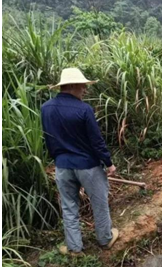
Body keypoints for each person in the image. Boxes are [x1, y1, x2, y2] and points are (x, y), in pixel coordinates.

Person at [42, 68, 119, 254]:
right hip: (88, 166)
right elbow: (96, 140)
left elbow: (49, 138)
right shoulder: (84, 109)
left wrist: (58, 158)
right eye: (83, 85)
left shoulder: (46, 108)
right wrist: (108, 163)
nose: (85, 89)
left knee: (69, 207)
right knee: (99, 202)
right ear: (74, 85)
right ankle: (105, 239)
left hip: (62, 165)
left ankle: (74, 248)